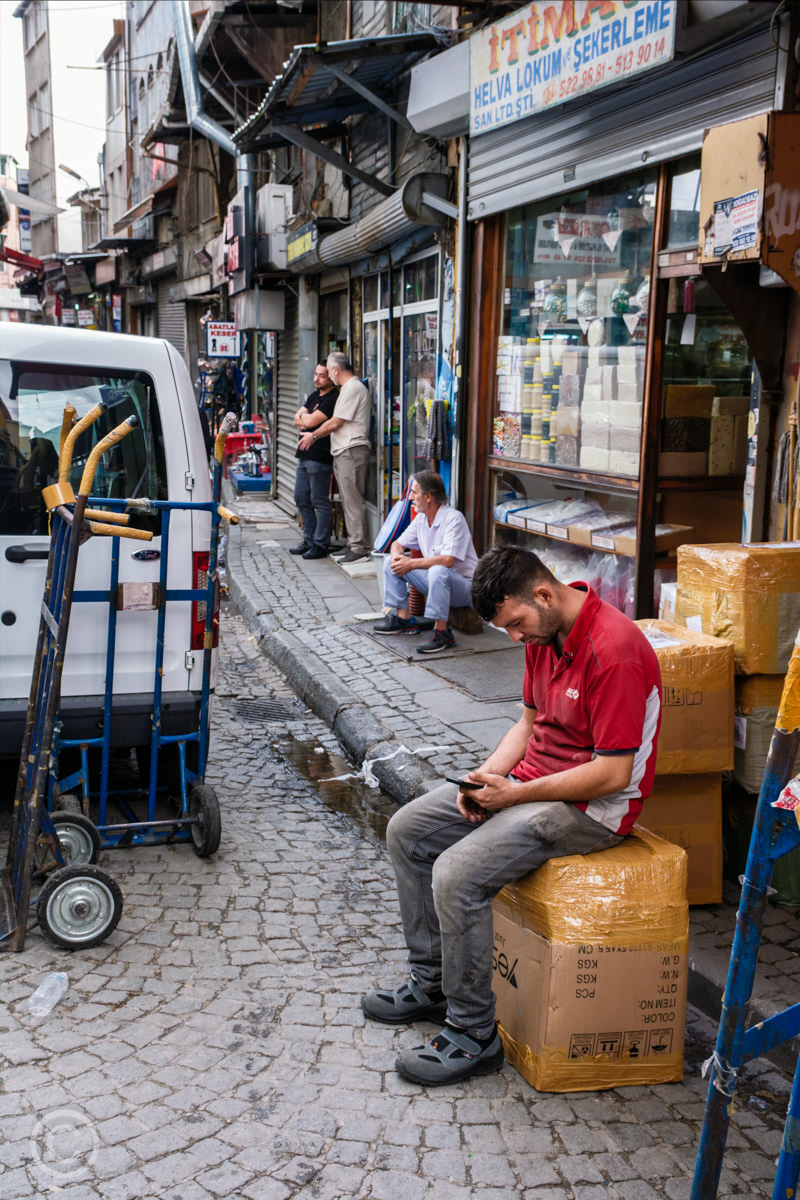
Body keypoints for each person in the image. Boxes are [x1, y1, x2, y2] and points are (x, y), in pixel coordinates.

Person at [361, 547, 662, 1086]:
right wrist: (484, 778)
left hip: (590, 807)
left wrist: (514, 796)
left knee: (456, 875)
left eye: (517, 624)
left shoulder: (615, 650)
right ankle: (431, 984)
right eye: (507, 630)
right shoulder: (544, 634)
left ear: (544, 595)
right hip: (532, 784)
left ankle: (474, 1034)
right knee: (407, 829)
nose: (517, 639)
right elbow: (526, 727)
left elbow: (614, 775)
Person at [373, 471, 478, 655]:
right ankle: (404, 620)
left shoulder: (454, 518)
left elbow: (448, 560)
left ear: (429, 496)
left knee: (438, 570)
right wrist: (398, 558)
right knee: (391, 561)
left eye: (414, 492)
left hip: (465, 589)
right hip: (436, 582)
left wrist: (411, 564)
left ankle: (442, 632)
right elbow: (397, 544)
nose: (410, 497)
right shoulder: (421, 518)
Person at [298, 352, 370, 564]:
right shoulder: (347, 389)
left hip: (352, 450)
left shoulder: (353, 389)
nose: (328, 375)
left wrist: (313, 435)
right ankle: (353, 544)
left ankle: (359, 547)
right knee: (348, 500)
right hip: (343, 450)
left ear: (335, 370)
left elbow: (334, 422)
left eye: (328, 371)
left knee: (353, 500)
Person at [289, 362, 338, 559]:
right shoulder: (314, 396)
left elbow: (307, 422)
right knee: (301, 498)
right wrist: (305, 417)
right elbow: (296, 419)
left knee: (319, 501)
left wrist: (305, 418)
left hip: (320, 456)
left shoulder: (332, 399)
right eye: (316, 374)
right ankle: (309, 540)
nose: (316, 379)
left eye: (322, 375)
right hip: (303, 455)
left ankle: (320, 544)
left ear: (331, 377)